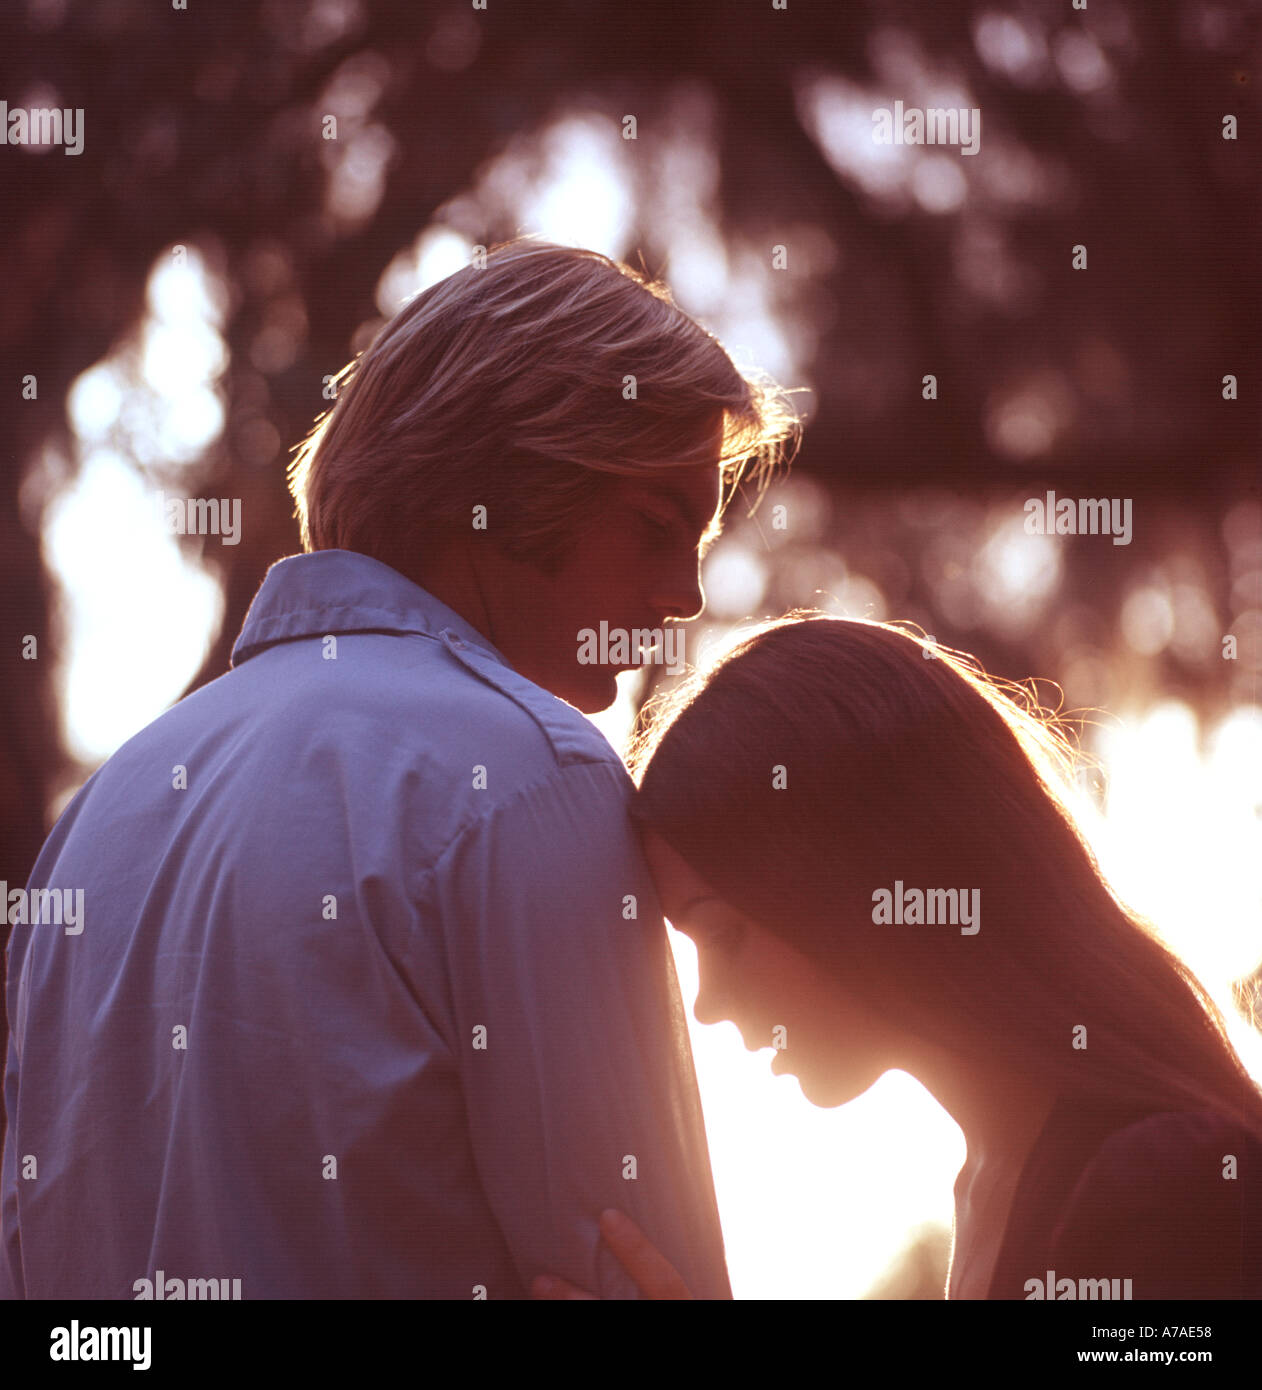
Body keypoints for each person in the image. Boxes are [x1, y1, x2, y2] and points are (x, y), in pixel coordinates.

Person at [0, 238, 800, 1299]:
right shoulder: (530, 778)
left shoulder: (102, 816)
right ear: (501, 481)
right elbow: (642, 1272)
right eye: (657, 528)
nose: (684, 595)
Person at [532, 615, 1262, 1299]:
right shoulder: (992, 1180)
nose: (707, 1003)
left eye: (725, 935)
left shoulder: (1172, 1186)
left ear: (858, 882)